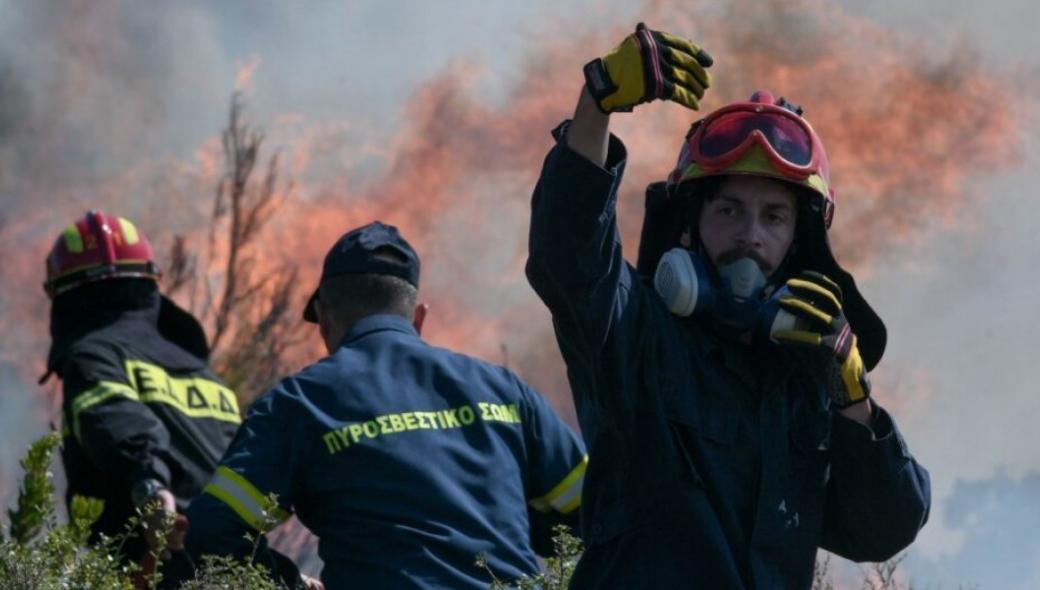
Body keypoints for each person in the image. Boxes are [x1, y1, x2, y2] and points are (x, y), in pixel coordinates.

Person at [525, 23, 931, 588]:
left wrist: (853, 400)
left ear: (799, 241)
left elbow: (882, 530)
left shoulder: (809, 384)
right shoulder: (634, 333)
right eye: (729, 210)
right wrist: (598, 101)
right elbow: (567, 258)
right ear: (689, 227)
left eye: (774, 217)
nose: (750, 236)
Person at [185, 221, 588, 589]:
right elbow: (597, 509)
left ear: (324, 321)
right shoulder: (503, 389)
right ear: (419, 317)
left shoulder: (299, 403)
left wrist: (288, 582)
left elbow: (214, 527)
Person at [42, 210, 241, 587]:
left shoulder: (92, 357)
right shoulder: (204, 375)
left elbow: (118, 422)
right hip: (237, 571)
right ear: (149, 285)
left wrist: (151, 487)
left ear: (65, 299)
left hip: (155, 565)